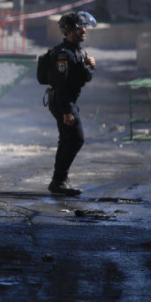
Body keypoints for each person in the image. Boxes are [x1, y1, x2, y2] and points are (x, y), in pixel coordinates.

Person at [45, 11, 97, 196]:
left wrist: (90, 64)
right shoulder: (63, 55)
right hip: (62, 101)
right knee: (76, 139)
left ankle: (58, 181)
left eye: (84, 27)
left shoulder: (78, 51)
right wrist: (67, 110)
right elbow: (61, 85)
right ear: (68, 31)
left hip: (66, 100)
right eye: (78, 28)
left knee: (68, 139)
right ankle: (59, 181)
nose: (83, 30)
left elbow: (83, 77)